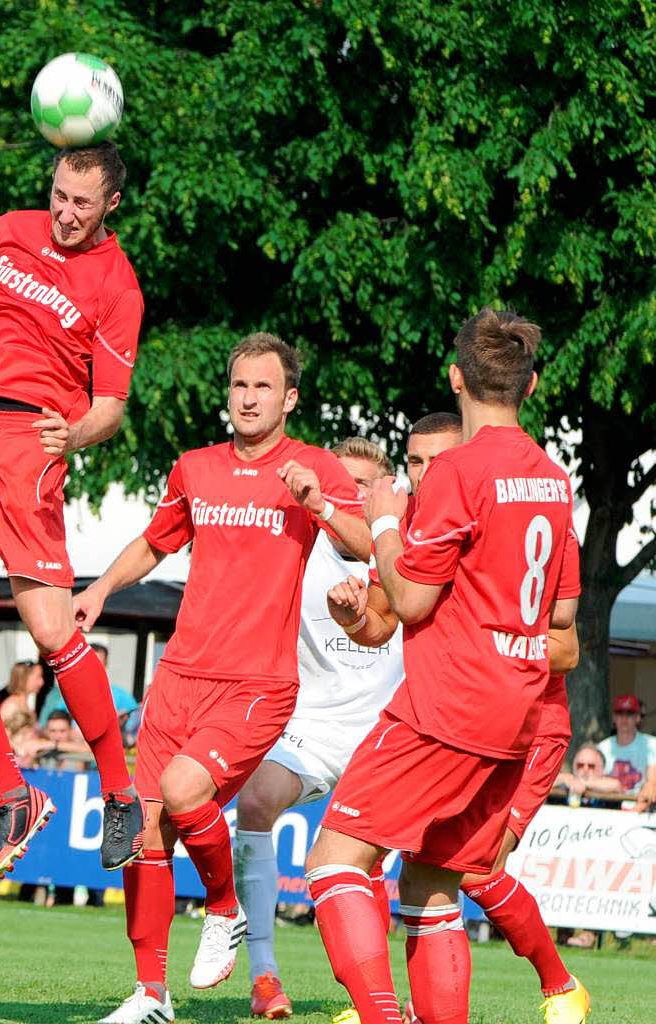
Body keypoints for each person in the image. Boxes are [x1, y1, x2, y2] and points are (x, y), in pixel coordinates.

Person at [76, 332, 371, 1024]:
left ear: (289, 398)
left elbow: (367, 545)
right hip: (179, 675)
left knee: (184, 792)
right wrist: (98, 590)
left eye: (262, 387)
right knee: (145, 827)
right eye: (239, 386)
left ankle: (223, 909)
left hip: (255, 683)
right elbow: (156, 540)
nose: (247, 398)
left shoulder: (312, 466)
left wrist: (320, 505)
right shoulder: (194, 468)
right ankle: (151, 994)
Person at [304, 308, 585, 1024]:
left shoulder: (457, 471)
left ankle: (378, 1015)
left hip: (445, 705)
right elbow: (556, 621)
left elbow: (411, 599)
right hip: (513, 715)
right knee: (430, 885)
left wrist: (387, 518)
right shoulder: (552, 482)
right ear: (531, 382)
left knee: (335, 861)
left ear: (456, 376)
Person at [0, 141, 145, 878]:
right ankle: (14, 795)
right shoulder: (8, 228)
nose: (64, 213)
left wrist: (71, 434)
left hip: (23, 441)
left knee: (50, 626)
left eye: (81, 203)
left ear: (111, 204)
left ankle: (119, 791)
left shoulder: (119, 286)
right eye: (57, 195)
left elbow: (109, 407)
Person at [233, 437, 401, 1021]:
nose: (347, 494)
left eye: (361, 485)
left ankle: (374, 1001)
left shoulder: (402, 551)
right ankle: (264, 978)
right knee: (254, 803)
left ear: (379, 492)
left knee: (364, 864)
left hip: (385, 732)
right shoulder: (299, 549)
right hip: (311, 728)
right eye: (338, 481)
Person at [598, 695, 656, 807]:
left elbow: (653, 780)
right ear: (614, 718)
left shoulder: (652, 744)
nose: (624, 719)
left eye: (629, 714)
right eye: (620, 714)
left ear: (637, 718)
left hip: (643, 808)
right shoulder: (602, 747)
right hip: (608, 807)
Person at [555, 743, 622, 804]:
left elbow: (616, 785)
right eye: (580, 765)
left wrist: (583, 784)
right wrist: (566, 779)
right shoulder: (567, 783)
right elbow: (547, 781)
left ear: (602, 769)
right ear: (574, 767)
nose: (585, 770)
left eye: (591, 766)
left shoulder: (608, 784)